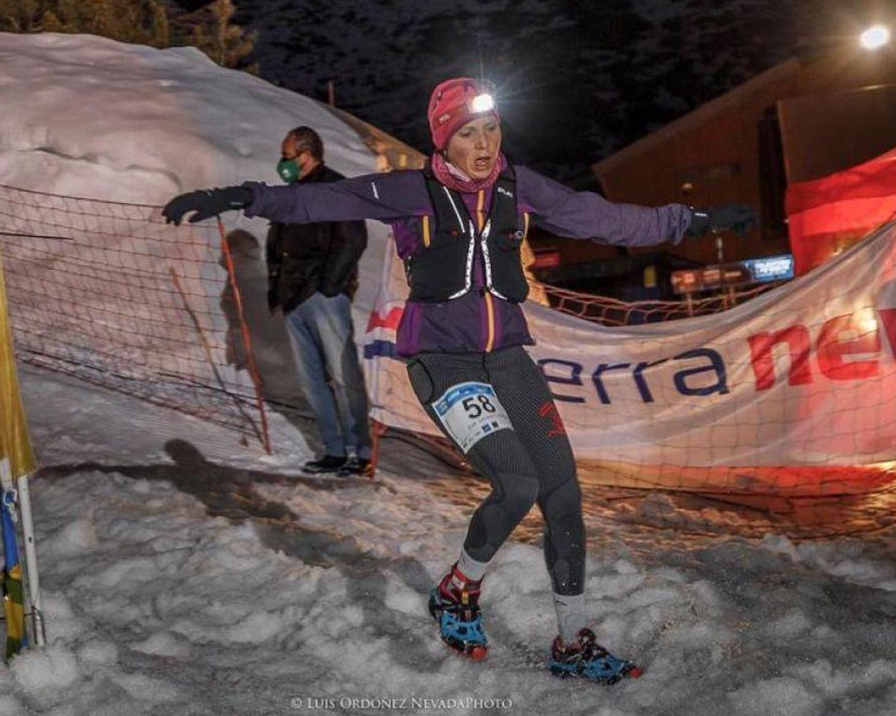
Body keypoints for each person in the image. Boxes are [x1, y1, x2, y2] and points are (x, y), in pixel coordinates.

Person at [162, 78, 753, 684]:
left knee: (563, 495)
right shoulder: (410, 191)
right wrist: (240, 196)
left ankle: (572, 643)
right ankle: (456, 591)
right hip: (443, 360)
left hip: (507, 357)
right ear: (444, 138)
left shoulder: (518, 188)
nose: (484, 143)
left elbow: (603, 218)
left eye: (491, 129)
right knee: (517, 482)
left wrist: (692, 218)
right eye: (468, 132)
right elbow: (321, 202)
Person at [265, 126, 373, 477]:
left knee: (343, 376)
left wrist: (329, 286)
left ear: (306, 156)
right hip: (294, 297)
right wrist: (277, 288)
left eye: (287, 156)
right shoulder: (292, 193)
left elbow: (352, 240)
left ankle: (361, 450)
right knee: (311, 380)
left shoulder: (335, 191)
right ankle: (334, 450)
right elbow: (277, 243)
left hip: (324, 296)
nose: (282, 163)